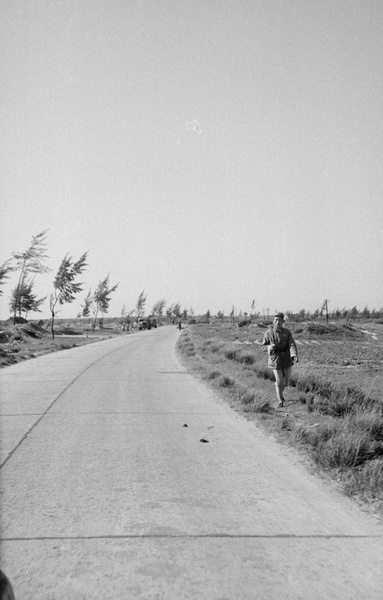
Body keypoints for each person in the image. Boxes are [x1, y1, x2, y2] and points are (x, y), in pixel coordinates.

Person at [262, 312, 298, 407]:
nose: (277, 322)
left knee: (286, 383)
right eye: (275, 320)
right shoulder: (268, 333)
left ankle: (280, 392)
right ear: (273, 321)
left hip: (286, 358)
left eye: (279, 320)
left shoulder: (287, 332)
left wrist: (294, 355)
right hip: (275, 359)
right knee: (279, 381)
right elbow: (263, 347)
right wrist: (269, 347)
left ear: (283, 321)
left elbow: (292, 344)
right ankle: (280, 400)